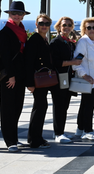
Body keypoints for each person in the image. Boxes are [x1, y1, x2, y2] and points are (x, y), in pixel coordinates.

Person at [0, 1, 29, 152]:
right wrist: (11, 75)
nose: (17, 15)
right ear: (9, 14)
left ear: (23, 15)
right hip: (9, 76)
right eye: (14, 13)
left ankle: (14, 138)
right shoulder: (5, 32)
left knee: (17, 107)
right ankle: (9, 141)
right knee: (8, 108)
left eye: (19, 13)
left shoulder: (21, 30)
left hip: (20, 75)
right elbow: (6, 57)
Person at [24, 14, 55, 149]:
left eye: (47, 24)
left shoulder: (44, 39)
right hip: (37, 80)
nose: (44, 26)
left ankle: (37, 137)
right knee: (39, 107)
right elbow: (28, 62)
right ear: (36, 24)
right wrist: (29, 83)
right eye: (41, 23)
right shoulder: (35, 40)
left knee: (42, 106)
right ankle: (34, 139)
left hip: (43, 79)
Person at [50, 16, 81, 143]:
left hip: (67, 78)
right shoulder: (55, 42)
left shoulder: (69, 42)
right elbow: (55, 62)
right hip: (58, 79)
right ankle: (58, 133)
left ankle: (60, 131)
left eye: (69, 25)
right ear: (59, 27)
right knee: (59, 106)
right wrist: (72, 62)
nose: (66, 27)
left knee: (65, 106)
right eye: (64, 25)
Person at [73, 17, 94, 140]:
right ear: (84, 29)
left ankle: (80, 129)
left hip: (93, 79)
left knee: (86, 104)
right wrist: (84, 75)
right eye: (88, 27)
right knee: (89, 104)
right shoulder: (83, 42)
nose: (91, 30)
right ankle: (87, 130)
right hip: (86, 79)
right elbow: (76, 62)